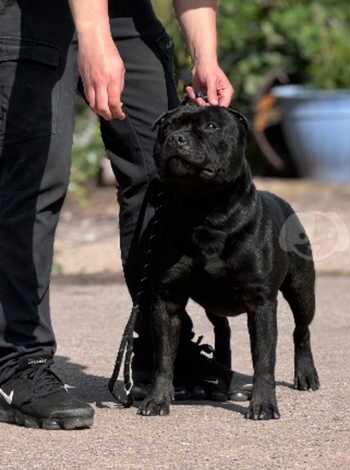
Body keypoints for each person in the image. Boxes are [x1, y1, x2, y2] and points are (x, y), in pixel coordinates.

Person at [0, 0, 249, 430]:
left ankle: (160, 347)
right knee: (37, 179)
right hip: (29, 12)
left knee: (166, 173)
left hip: (123, 10)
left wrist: (205, 58)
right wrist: (94, 39)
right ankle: (18, 362)